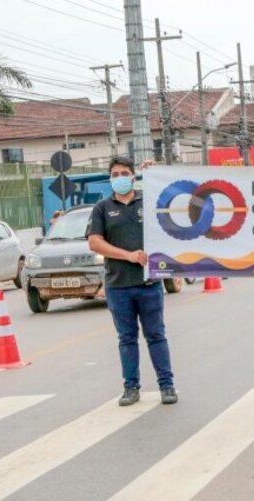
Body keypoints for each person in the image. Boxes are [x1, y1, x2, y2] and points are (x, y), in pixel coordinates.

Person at [87, 156, 177, 407]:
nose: (120, 178)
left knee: (156, 336)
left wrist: (157, 171)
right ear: (110, 178)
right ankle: (131, 387)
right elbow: (95, 242)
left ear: (133, 177)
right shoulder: (102, 208)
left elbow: (173, 204)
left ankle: (167, 385)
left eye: (124, 173)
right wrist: (128, 255)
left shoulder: (148, 202)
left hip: (149, 283)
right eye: (115, 174)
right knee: (126, 339)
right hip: (118, 285)